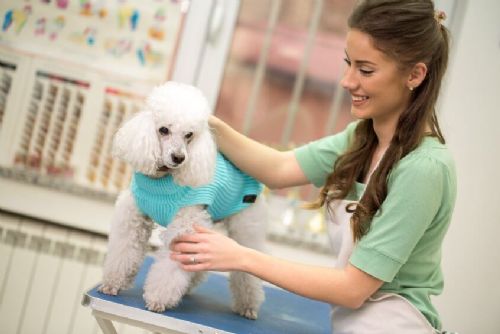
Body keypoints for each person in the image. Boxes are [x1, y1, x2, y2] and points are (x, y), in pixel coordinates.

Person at [170, 0, 456, 332]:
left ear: (415, 75)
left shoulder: (424, 168)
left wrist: (241, 257)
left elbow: (352, 289)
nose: (347, 81)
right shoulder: (362, 140)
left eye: (365, 70)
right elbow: (278, 169)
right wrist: (202, 123)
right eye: (348, 64)